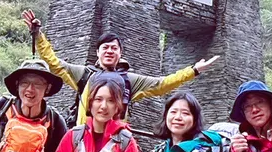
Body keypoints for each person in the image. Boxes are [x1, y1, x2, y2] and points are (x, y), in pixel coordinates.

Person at [21, 8, 220, 125]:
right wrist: (38, 35)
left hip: (115, 142)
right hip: (83, 139)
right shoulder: (84, 74)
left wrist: (193, 70)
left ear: (120, 53)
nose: (109, 51)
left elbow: (161, 85)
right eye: (105, 48)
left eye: (114, 48)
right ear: (97, 53)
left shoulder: (129, 81)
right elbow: (54, 63)